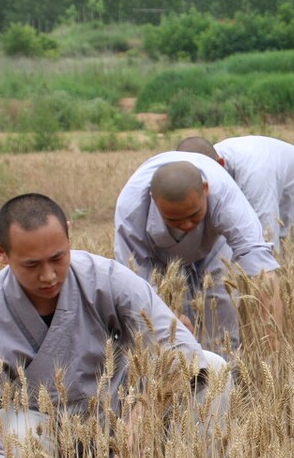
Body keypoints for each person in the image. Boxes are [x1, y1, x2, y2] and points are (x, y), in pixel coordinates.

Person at [0, 193, 230, 458]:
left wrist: (140, 422)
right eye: (31, 265)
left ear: (68, 232)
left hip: (117, 416)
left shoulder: (104, 277)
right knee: (13, 428)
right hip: (45, 436)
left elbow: (179, 350)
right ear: (1, 252)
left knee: (211, 367)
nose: (48, 276)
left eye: (58, 258)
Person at [114, 151, 284, 355]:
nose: (186, 225)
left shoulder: (225, 194)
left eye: (194, 215)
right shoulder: (131, 209)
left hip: (213, 248)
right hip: (157, 258)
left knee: (220, 313)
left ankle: (226, 374)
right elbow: (134, 282)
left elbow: (261, 267)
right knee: (167, 333)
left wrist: (274, 347)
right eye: (174, 220)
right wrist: (169, 313)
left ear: (205, 189)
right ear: (155, 201)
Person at [176, 135, 294, 251]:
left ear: (220, 163)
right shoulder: (206, 162)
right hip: (274, 190)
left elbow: (266, 239)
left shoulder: (255, 175)